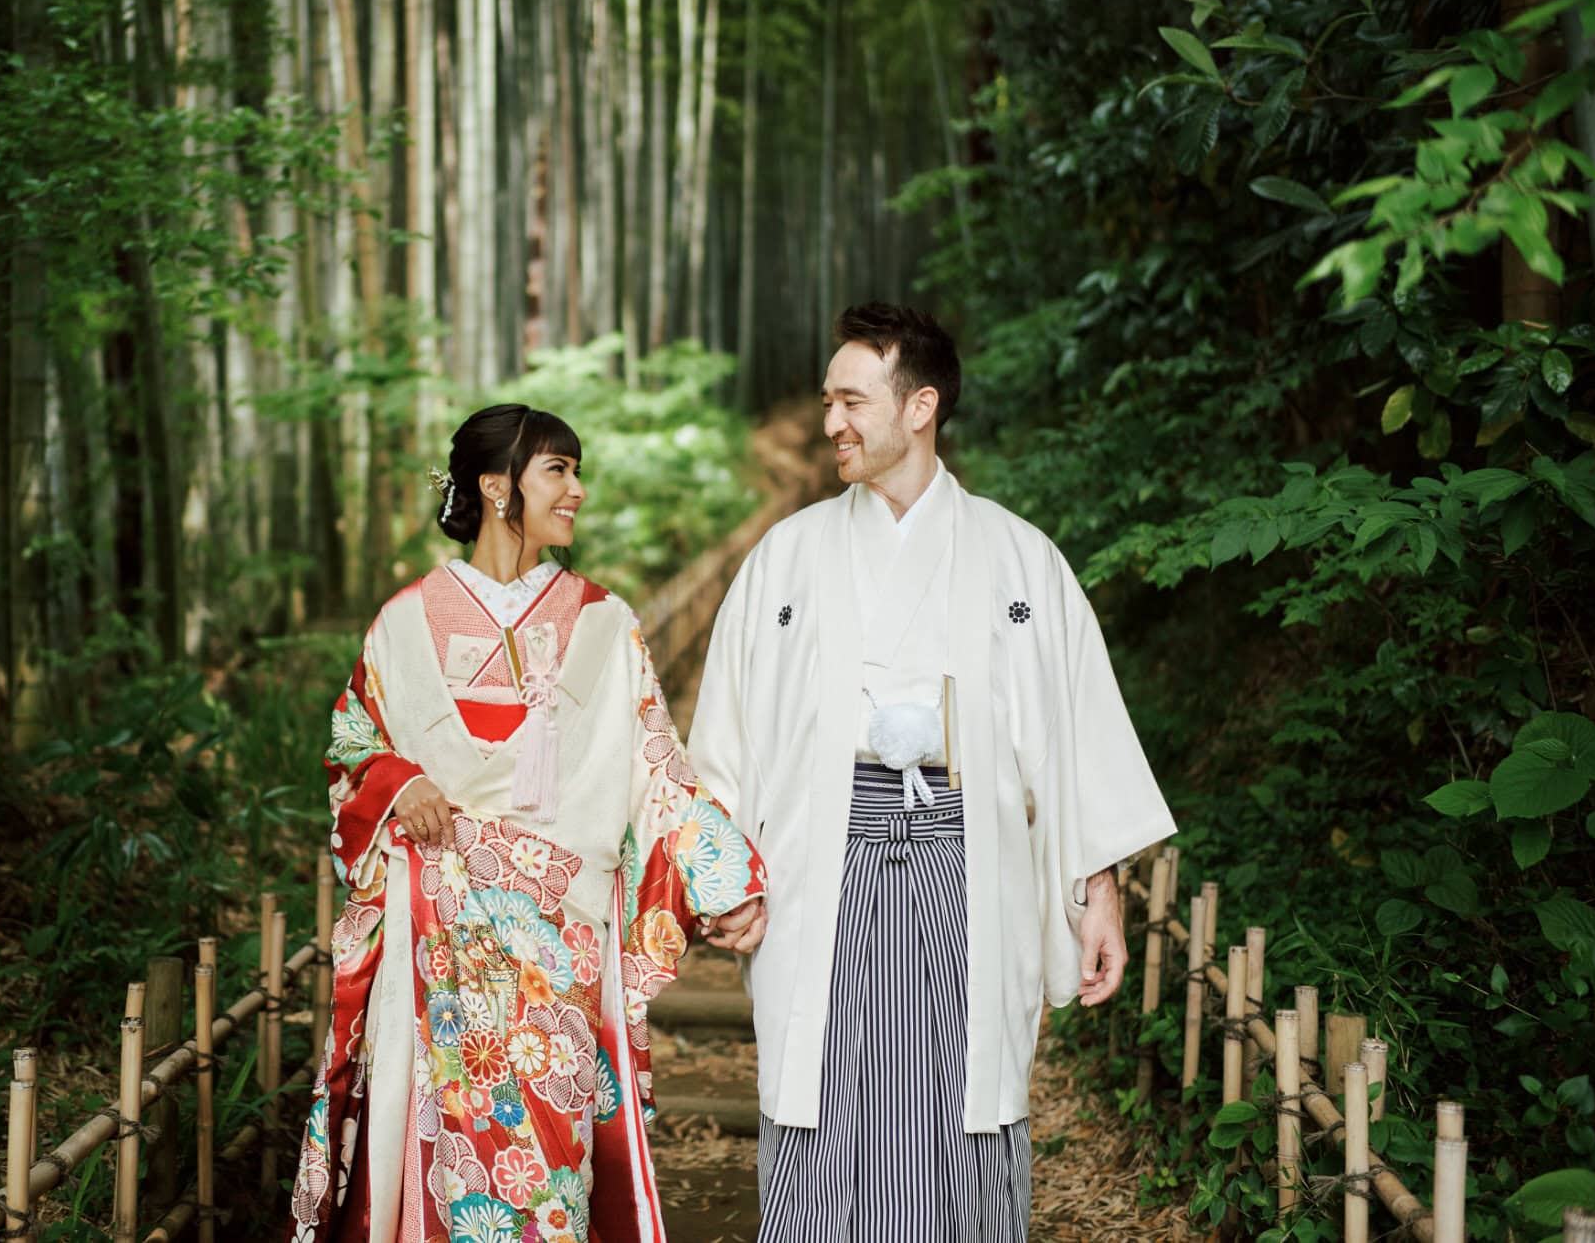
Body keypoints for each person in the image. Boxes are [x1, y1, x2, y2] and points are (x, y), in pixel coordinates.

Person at [687, 304, 1176, 1241]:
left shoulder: (1018, 556)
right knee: (820, 1098)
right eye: (827, 399)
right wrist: (726, 875)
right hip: (814, 867)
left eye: (849, 399)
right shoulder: (786, 558)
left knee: (964, 1097)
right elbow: (726, 741)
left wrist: (1096, 888)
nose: (829, 421)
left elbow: (1074, 738)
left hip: (966, 862)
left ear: (920, 405)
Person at [289, 403, 769, 1243]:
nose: (578, 490)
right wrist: (397, 783)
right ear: (495, 486)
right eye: (559, 470)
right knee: (449, 1154)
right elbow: (351, 742)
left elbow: (658, 767)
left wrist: (723, 878)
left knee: (552, 1162)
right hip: (444, 936)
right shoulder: (405, 622)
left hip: (561, 942)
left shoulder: (604, 623)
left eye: (577, 471)